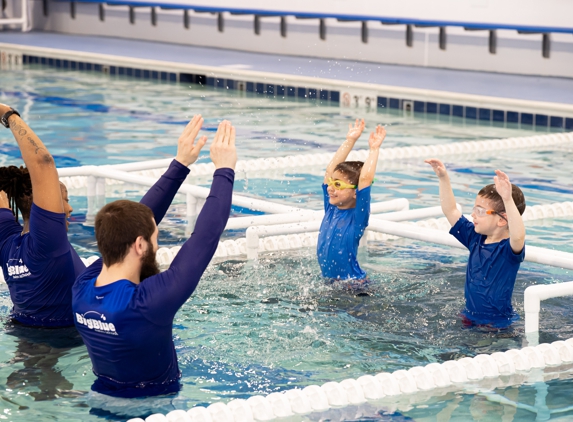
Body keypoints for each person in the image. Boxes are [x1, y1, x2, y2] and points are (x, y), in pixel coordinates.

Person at [72, 115, 236, 398]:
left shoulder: (82, 289)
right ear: (139, 245)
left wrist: (181, 164)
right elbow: (205, 238)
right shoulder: (146, 303)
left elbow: (138, 219)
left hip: (99, 400)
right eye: (155, 238)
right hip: (154, 407)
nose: (157, 245)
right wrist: (224, 170)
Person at [0, 103, 85, 327]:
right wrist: (7, 114)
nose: (69, 208)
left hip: (23, 333)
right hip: (62, 341)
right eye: (63, 200)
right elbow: (43, 162)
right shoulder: (47, 240)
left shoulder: (7, 243)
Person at [425, 158, 526, 329]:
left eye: (480, 211)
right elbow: (451, 210)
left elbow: (518, 236)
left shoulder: (508, 250)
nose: (473, 215)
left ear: (502, 220)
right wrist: (443, 178)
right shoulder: (475, 238)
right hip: (469, 317)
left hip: (498, 325)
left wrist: (507, 200)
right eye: (474, 209)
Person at [317, 119, 386, 282]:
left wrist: (374, 149)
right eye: (332, 182)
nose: (330, 188)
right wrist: (350, 140)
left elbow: (366, 179)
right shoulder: (331, 208)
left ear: (356, 192)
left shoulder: (357, 217)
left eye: (338, 184)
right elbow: (329, 171)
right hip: (330, 282)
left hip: (354, 285)